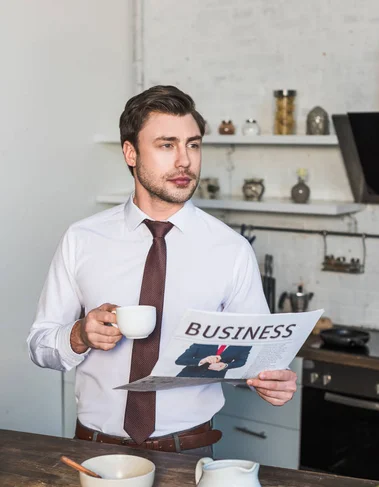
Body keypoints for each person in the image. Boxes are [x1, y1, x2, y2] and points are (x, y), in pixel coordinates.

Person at [28, 85, 297, 456]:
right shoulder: (82, 239)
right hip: (94, 452)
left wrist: (271, 381)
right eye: (167, 145)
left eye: (193, 144)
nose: (184, 160)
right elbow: (40, 344)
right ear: (130, 153)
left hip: (190, 453)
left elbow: (255, 360)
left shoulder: (231, 249)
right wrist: (78, 335)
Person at [175, 344, 251, 378]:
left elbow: (241, 361)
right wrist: (202, 360)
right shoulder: (204, 339)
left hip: (212, 384)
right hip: (187, 377)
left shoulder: (244, 345)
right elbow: (180, 360)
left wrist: (225, 365)